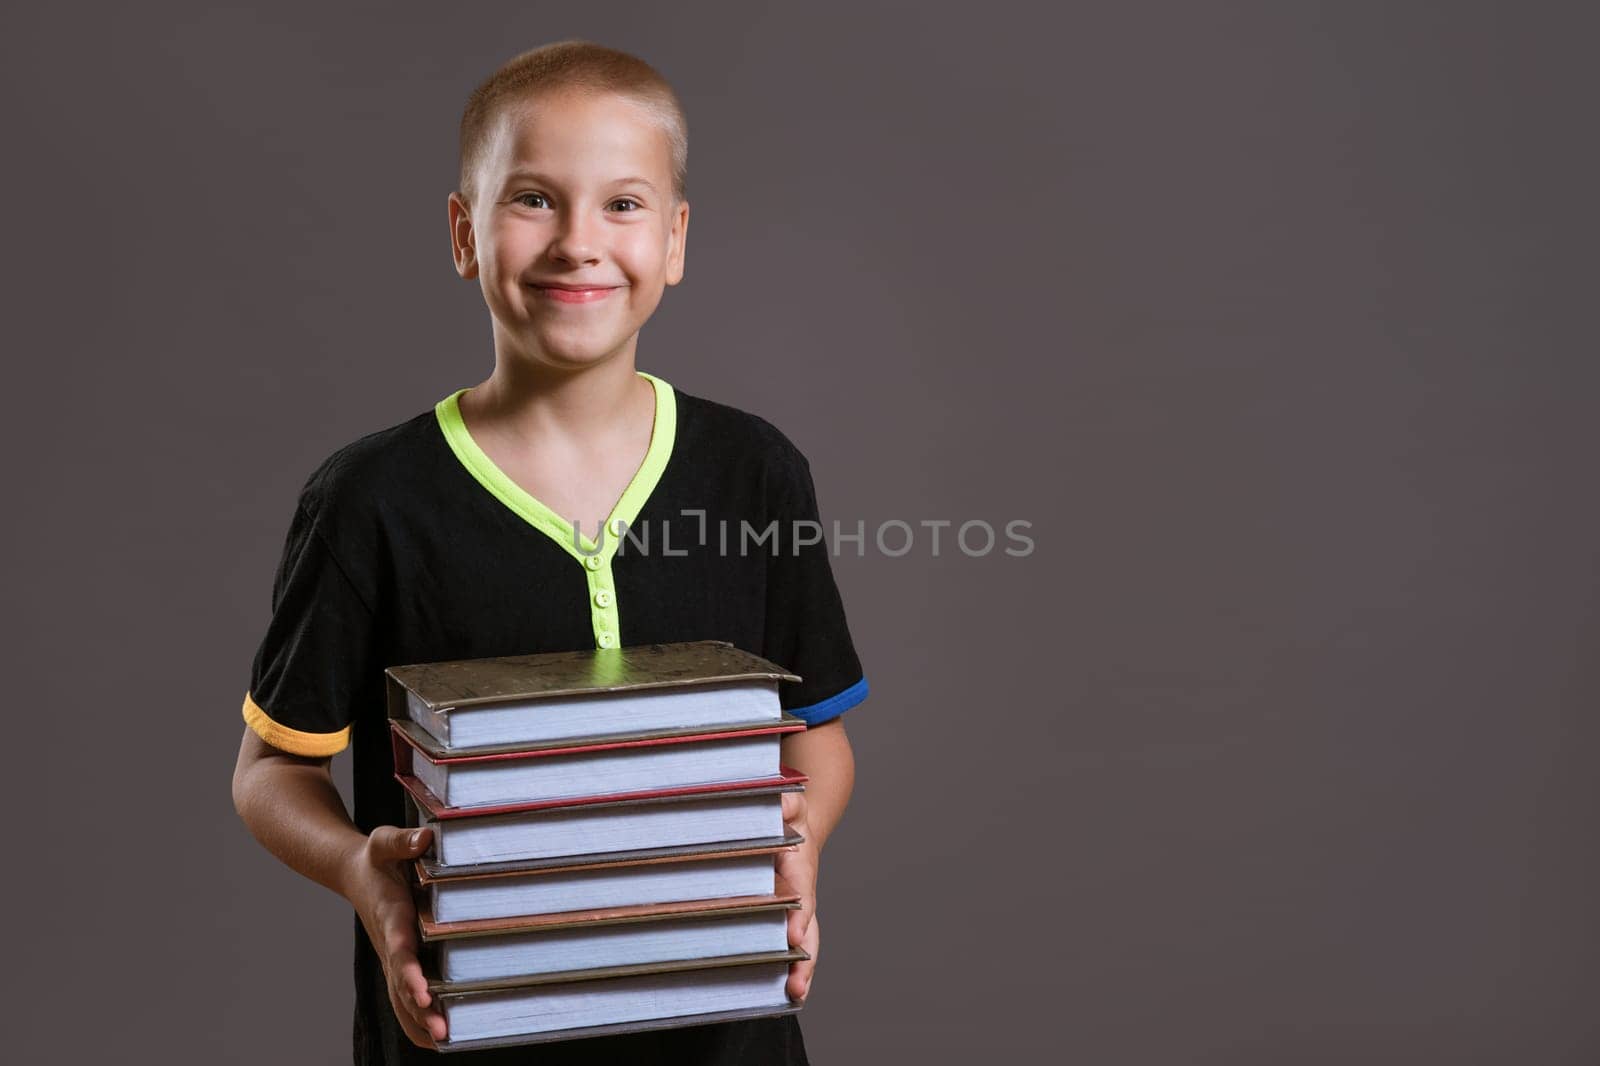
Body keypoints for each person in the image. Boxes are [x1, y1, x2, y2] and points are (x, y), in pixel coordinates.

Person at [229, 39, 868, 1066]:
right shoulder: (369, 499)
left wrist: (796, 851)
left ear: (675, 239)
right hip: (462, 1024)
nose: (579, 242)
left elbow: (815, 732)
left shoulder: (754, 471)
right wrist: (362, 870)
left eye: (622, 204)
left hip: (727, 1034)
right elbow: (269, 770)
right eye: (532, 199)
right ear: (463, 233)